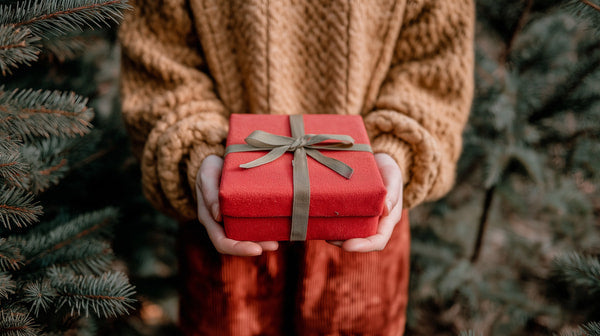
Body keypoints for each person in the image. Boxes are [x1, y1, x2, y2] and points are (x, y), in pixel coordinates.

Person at [119, 0, 474, 335]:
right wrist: (197, 149)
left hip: (365, 227)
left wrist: (398, 149)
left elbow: (434, 67)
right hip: (228, 222)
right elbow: (161, 59)